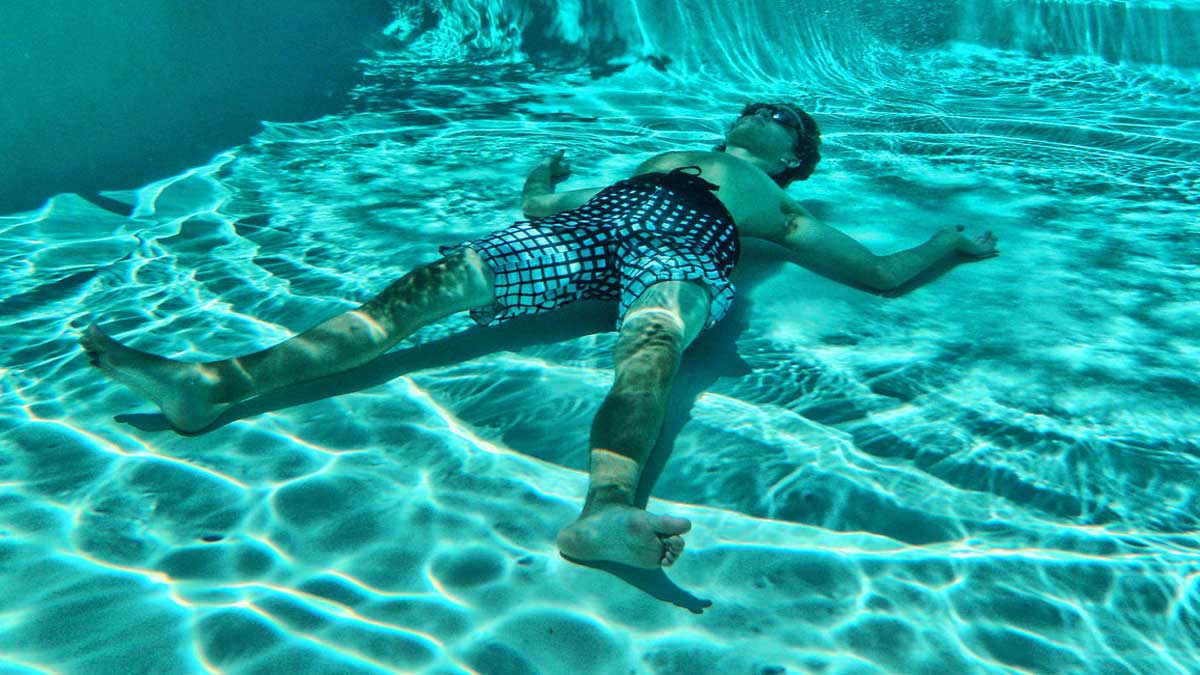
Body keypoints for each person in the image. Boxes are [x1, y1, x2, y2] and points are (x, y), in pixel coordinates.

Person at [80, 102, 998, 571]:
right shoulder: (663, 156)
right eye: (766, 108)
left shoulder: (778, 204)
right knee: (427, 286)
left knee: (649, 354)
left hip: (687, 248)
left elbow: (878, 273)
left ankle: (603, 511)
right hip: (587, 229)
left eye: (789, 122)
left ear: (795, 156)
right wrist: (536, 190)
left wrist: (946, 244)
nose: (770, 115)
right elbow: (554, 208)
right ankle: (215, 385)